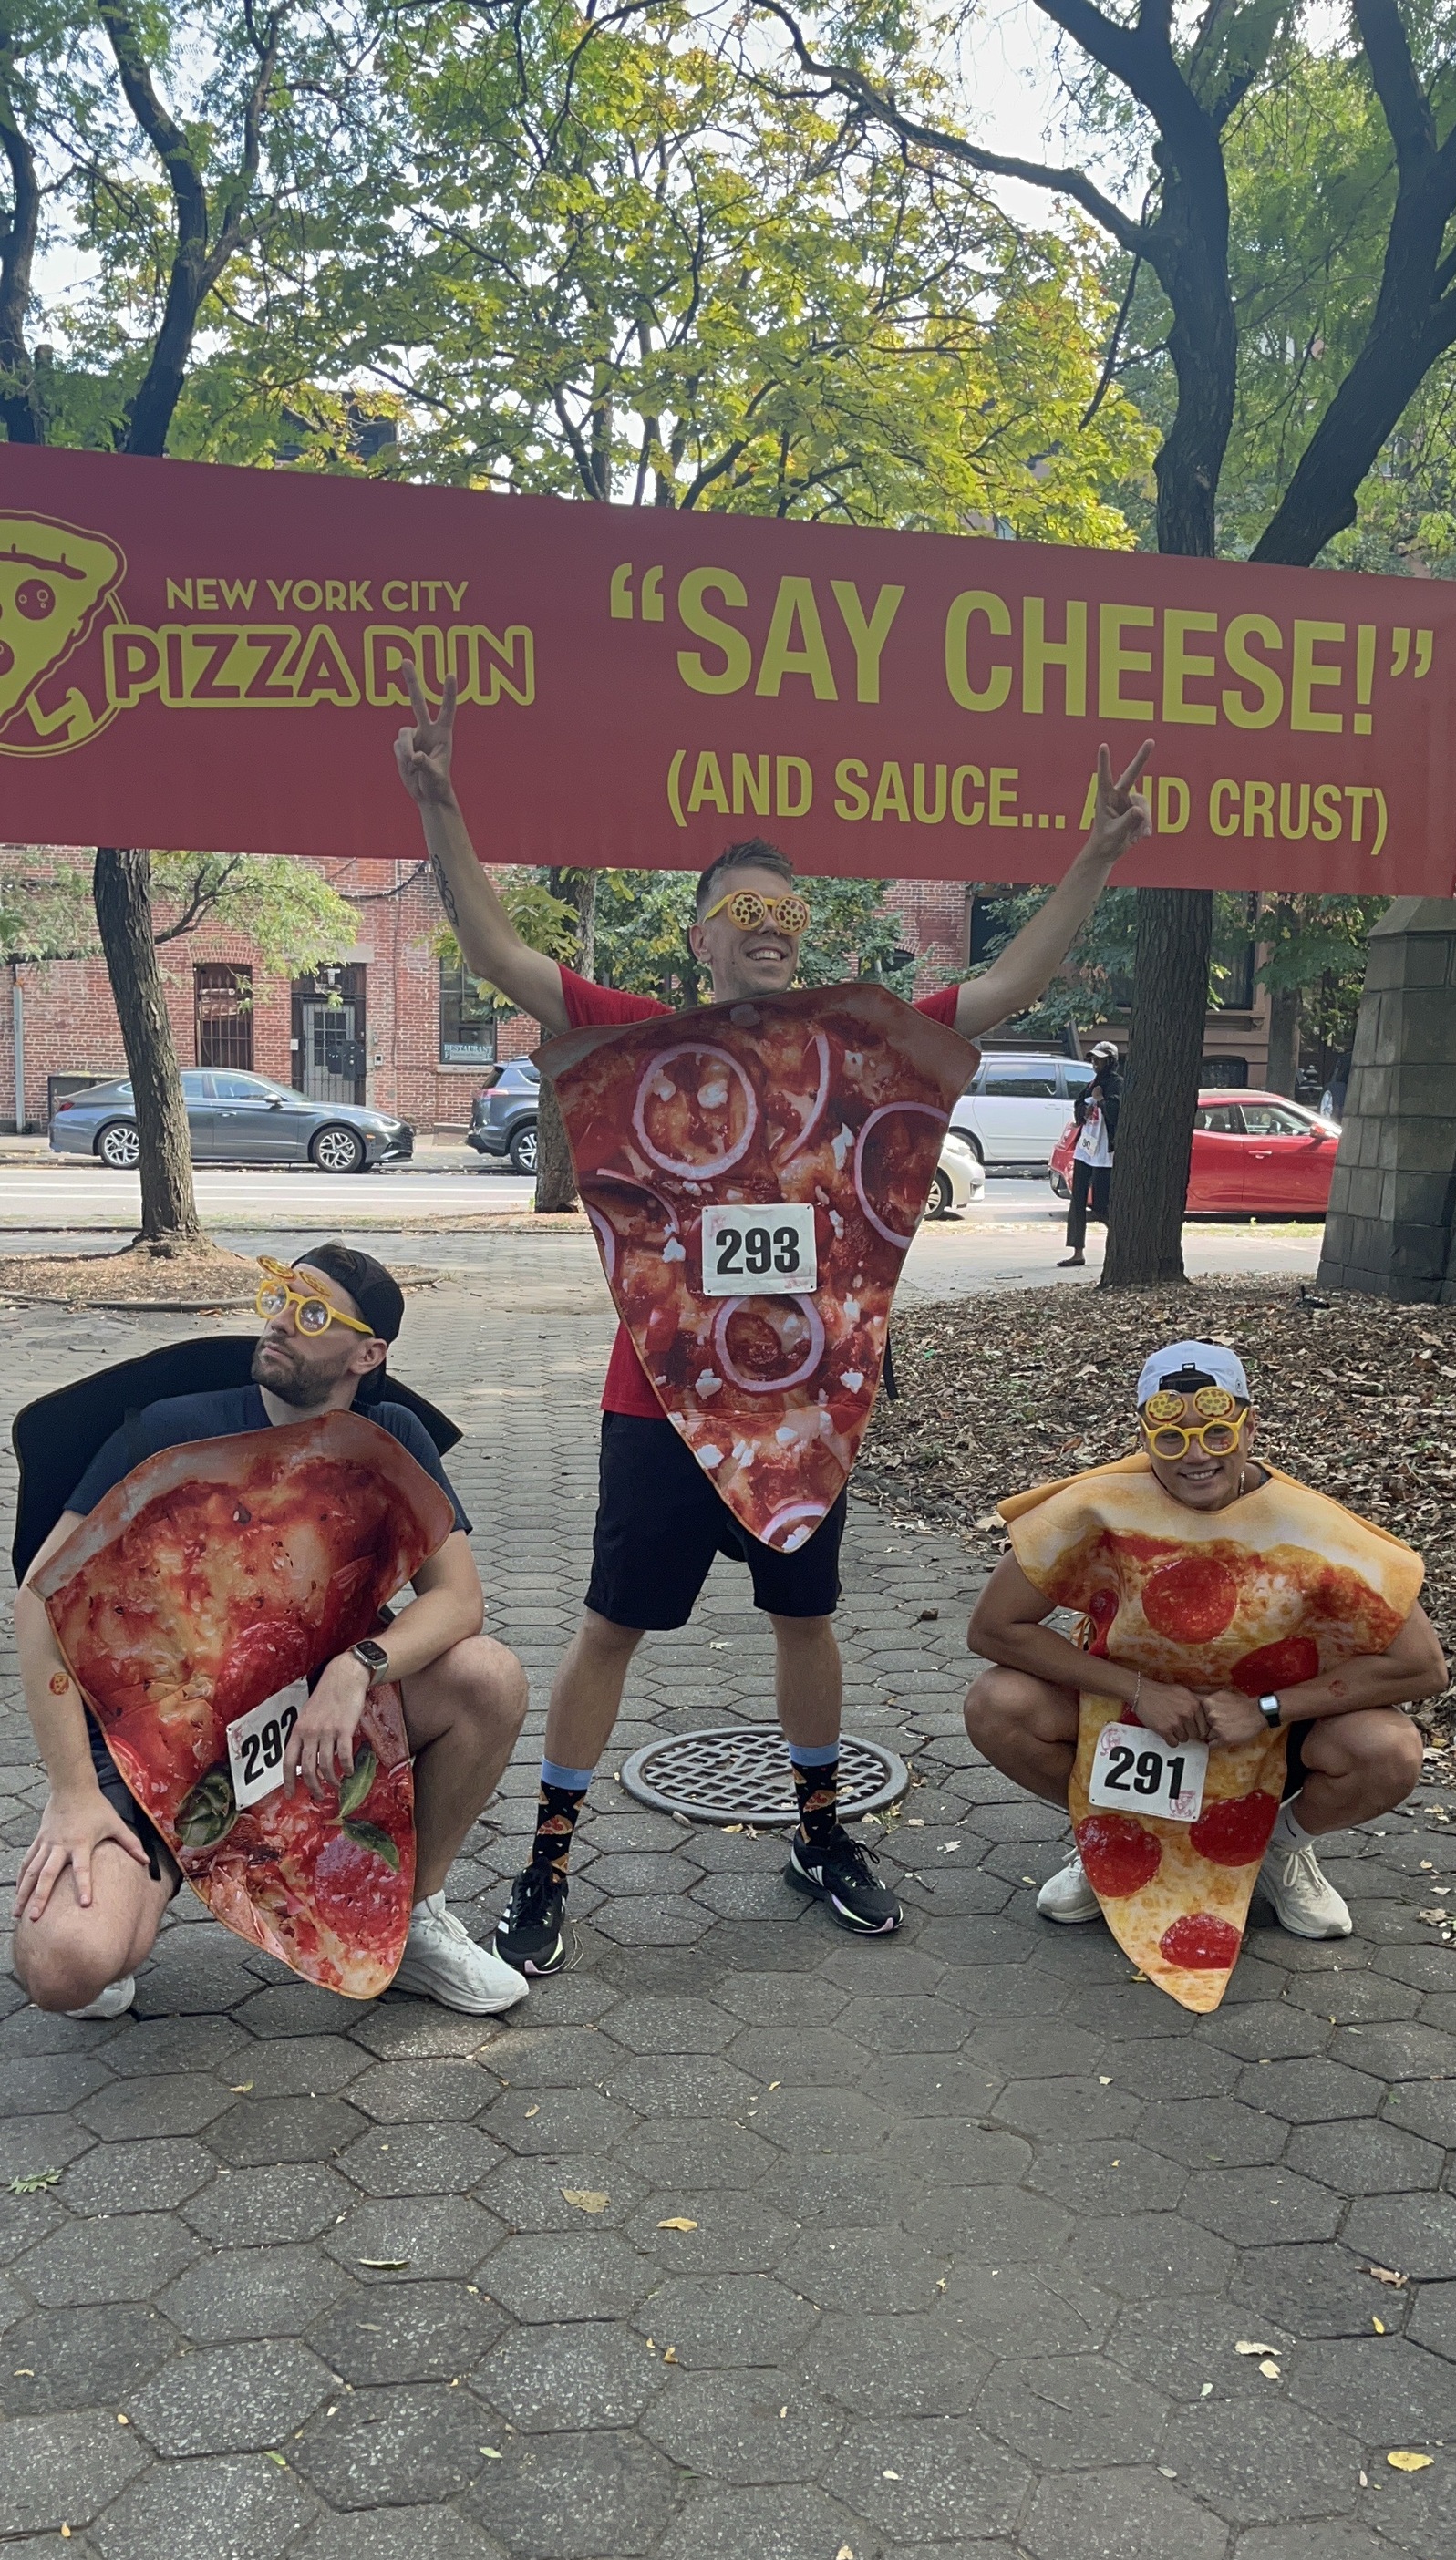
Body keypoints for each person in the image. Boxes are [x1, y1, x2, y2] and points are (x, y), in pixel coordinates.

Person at [395, 666, 1154, 1974]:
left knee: (807, 1619)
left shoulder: (854, 1043)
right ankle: (548, 1864)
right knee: (612, 1629)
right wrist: (440, 807)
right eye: (743, 910)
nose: (772, 928)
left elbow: (1002, 991)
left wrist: (1091, 858)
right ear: (698, 937)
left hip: (807, 1402)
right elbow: (502, 957)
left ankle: (818, 1832)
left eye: (788, 913)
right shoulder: (644, 1035)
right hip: (663, 1400)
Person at [14, 1244, 531, 2020]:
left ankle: (416, 1922)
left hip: (308, 1728)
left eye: (313, 1312)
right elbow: (40, 1598)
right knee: (64, 1969)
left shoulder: (391, 1439)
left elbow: (459, 1602)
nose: (282, 1323)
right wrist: (72, 1793)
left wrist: (358, 1667)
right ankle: (134, 1910)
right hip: (157, 1746)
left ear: (368, 1353)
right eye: (278, 1298)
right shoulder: (170, 1432)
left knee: (489, 1678)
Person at [964, 1338, 1447, 1947]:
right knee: (996, 1703)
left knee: (1389, 1748)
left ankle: (1277, 1850)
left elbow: (1422, 1668)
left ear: (1250, 1429)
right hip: (1134, 1725)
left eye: (1217, 1433)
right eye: (1172, 1439)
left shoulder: (1314, 1526)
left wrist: (1265, 1709)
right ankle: (1107, 1832)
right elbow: (992, 1629)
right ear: (1143, 1439)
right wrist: (1141, 1689)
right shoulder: (1096, 1509)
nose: (1196, 1455)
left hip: (1266, 1733)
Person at [1059, 1039, 1120, 1268]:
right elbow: (1078, 1106)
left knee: (1102, 1202)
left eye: (1099, 1059)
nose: (1095, 1063)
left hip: (1105, 1152)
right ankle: (1077, 1252)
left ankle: (1119, 1242)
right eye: (1093, 1059)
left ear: (1110, 1062)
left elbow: (1118, 1113)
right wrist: (1082, 1111)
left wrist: (1102, 1100)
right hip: (1085, 1149)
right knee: (1077, 1200)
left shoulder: (1116, 1084)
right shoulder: (1092, 1083)